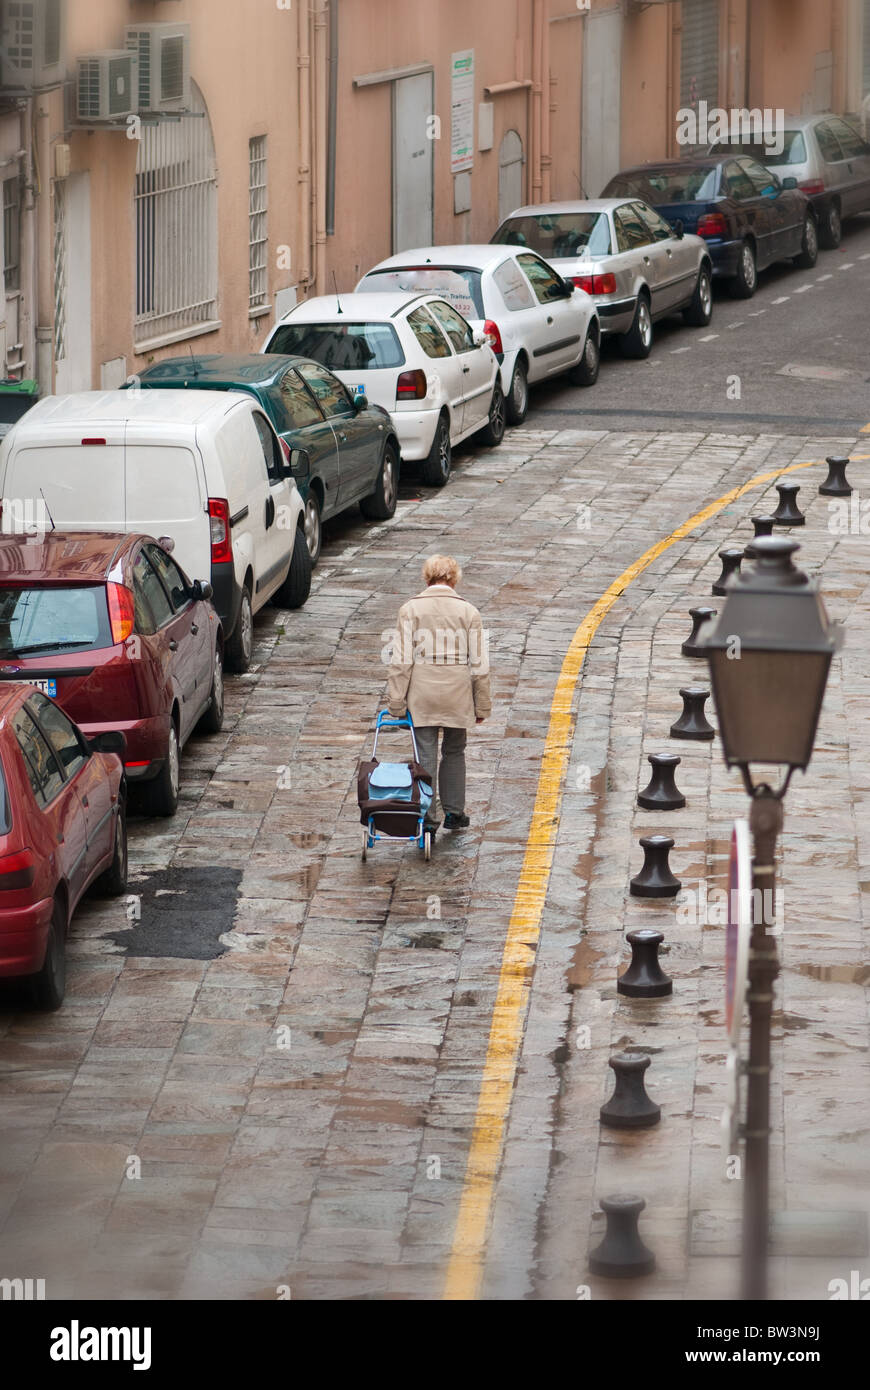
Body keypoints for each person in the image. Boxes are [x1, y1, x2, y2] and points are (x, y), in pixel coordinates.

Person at [386, 555, 491, 832]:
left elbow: (401, 661)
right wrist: (481, 705)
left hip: (422, 691)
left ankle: (428, 817)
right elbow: (480, 666)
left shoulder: (410, 609)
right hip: (457, 691)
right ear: (454, 579)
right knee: (455, 750)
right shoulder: (469, 612)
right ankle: (455, 812)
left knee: (426, 753)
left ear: (426, 578)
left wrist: (396, 702)